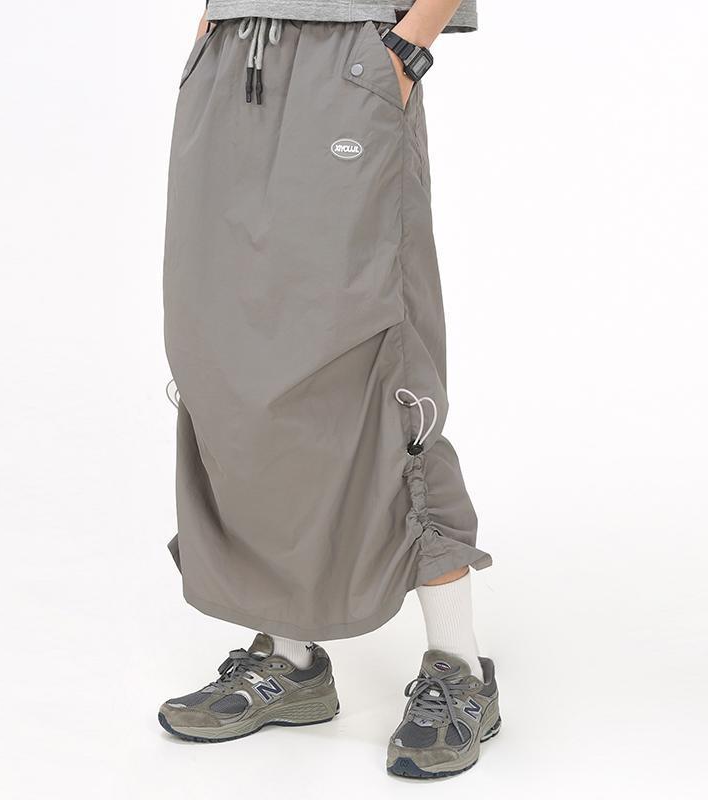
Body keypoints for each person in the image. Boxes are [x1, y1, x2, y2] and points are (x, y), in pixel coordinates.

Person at [159, 0, 500, 779]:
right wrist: (210, 25)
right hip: (230, 53)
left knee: (375, 355)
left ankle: (460, 669)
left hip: (354, 54)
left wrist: (407, 48)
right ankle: (290, 661)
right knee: (231, 360)